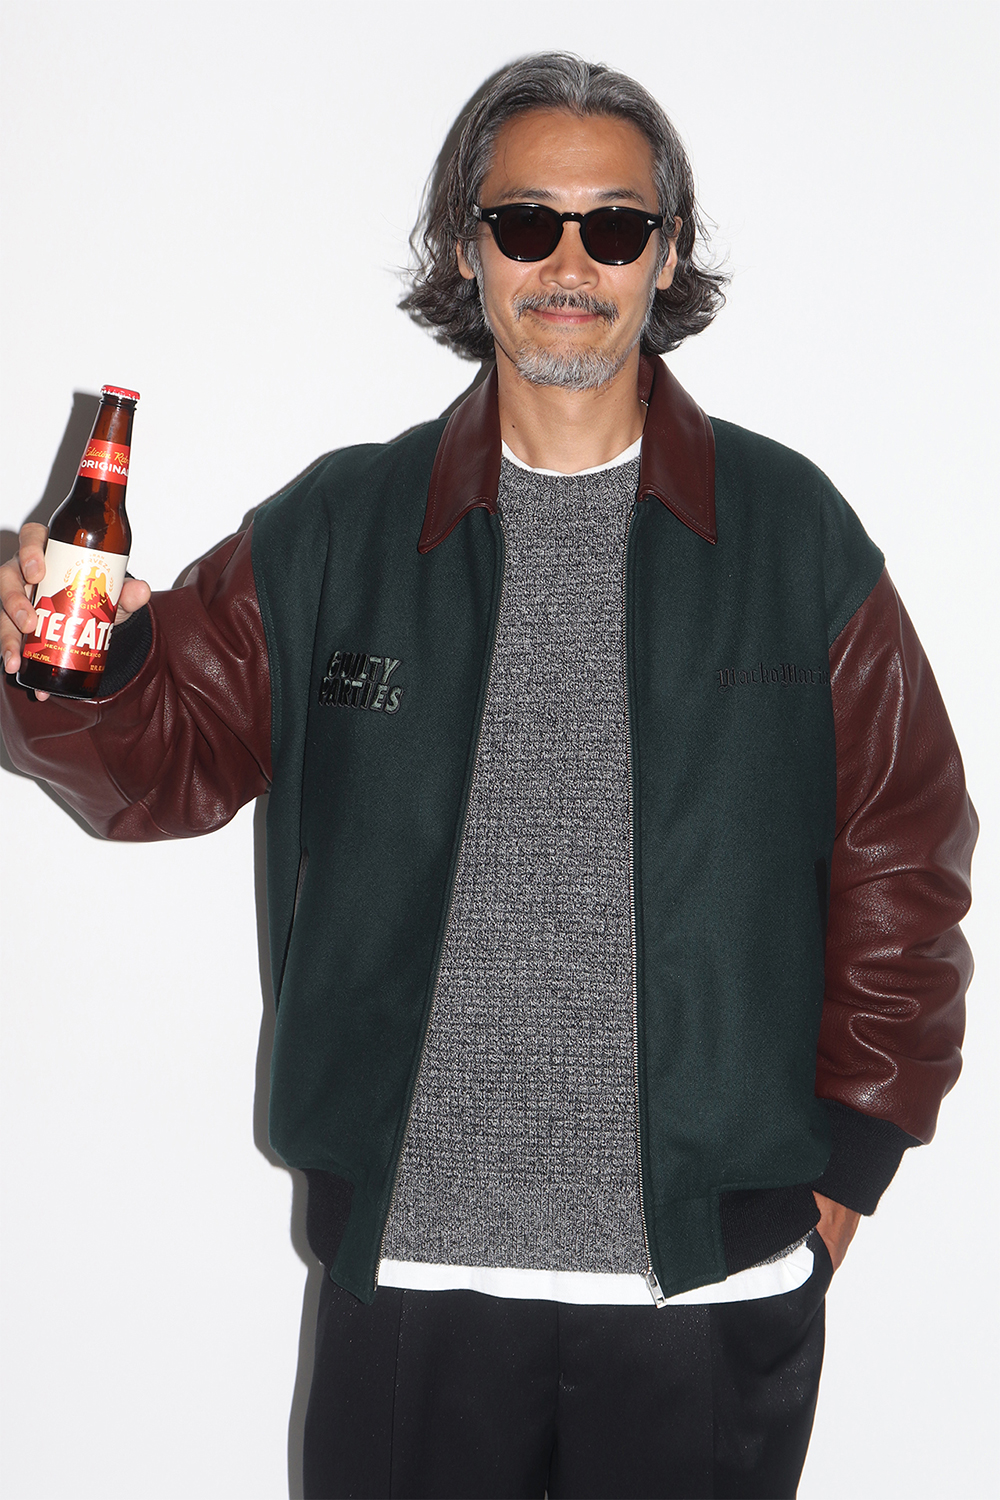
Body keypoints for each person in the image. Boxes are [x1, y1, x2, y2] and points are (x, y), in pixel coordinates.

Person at [0, 52, 976, 1500]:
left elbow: (909, 858)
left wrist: (846, 1171)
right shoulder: (342, 527)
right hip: (412, 1280)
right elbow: (162, 765)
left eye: (615, 227)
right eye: (526, 223)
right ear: (468, 248)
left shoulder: (792, 534)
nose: (569, 264)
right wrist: (73, 669)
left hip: (708, 1291)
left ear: (666, 257)